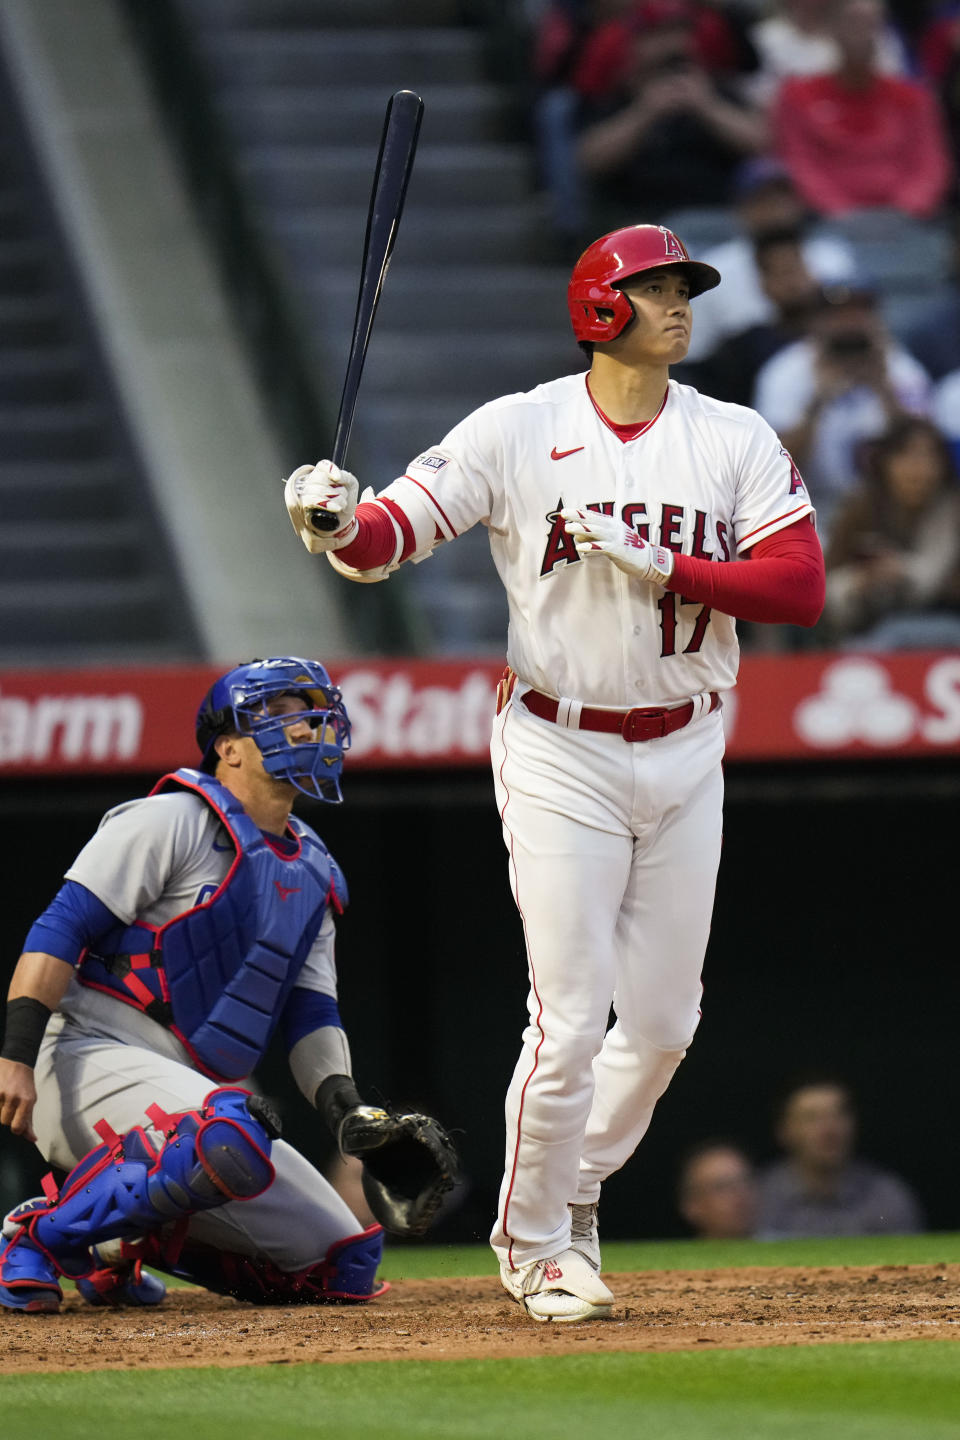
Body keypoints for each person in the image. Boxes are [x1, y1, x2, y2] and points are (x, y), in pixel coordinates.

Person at [282, 221, 825, 1323]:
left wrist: (676, 565)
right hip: (557, 741)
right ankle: (536, 1245)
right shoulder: (520, 427)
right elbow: (390, 534)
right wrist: (332, 518)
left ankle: (572, 1182)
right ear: (599, 308)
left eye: (684, 287)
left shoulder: (732, 436)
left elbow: (799, 585)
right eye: (658, 287)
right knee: (572, 1015)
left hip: (686, 739)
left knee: (666, 1023)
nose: (680, 302)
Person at [0, 656, 454, 1312]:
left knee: (343, 1262)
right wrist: (14, 1056)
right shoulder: (170, 819)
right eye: (280, 712)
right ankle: (38, 1236)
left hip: (188, 1094)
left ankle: (115, 1242)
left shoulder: (316, 869)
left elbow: (310, 1016)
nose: (308, 728)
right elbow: (58, 930)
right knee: (231, 1132)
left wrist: (349, 1114)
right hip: (81, 1054)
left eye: (315, 710)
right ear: (228, 748)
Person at [752, 281, 933, 535]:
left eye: (858, 313)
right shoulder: (785, 372)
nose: (849, 323)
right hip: (805, 512)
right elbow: (770, 470)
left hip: (887, 516)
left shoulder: (901, 369)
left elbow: (926, 458)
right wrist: (819, 400)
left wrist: (884, 390)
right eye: (838, 314)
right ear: (816, 321)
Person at [576, 2, 768, 229]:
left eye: (681, 32)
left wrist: (707, 107)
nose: (674, 43)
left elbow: (761, 144)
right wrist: (645, 112)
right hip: (642, 224)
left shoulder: (716, 88)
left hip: (719, 220)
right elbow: (590, 160)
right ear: (637, 43)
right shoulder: (617, 96)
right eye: (660, 34)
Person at [773, 0, 954, 221]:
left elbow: (931, 165)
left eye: (871, 23)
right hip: (828, 223)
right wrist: (845, 214)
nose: (862, 33)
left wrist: (904, 211)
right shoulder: (797, 96)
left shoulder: (914, 98)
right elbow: (800, 165)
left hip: (907, 224)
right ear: (831, 27)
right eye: (853, 22)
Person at [681, 157, 857, 369]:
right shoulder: (713, 269)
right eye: (762, 199)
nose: (776, 208)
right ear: (741, 209)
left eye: (784, 197)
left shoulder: (832, 257)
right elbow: (695, 355)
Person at [823, 415, 960, 649]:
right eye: (907, 456)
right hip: (866, 629)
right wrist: (862, 581)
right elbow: (824, 587)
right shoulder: (860, 508)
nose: (919, 468)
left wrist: (903, 572)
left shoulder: (953, 509)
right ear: (886, 462)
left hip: (946, 623)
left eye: (930, 457)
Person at [756, 1075, 924, 1238]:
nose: (829, 1129)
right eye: (811, 1118)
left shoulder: (887, 1195)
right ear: (783, 1131)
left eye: (839, 1114)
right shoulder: (758, 1198)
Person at [696, 226, 823, 406]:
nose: (794, 283)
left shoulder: (844, 335)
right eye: (783, 274)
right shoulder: (740, 350)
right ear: (763, 284)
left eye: (798, 269)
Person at [677, 1140, 759, 1240]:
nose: (741, 1194)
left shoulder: (780, 1244)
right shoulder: (678, 1255)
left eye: (745, 1181)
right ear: (692, 1206)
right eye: (722, 1187)